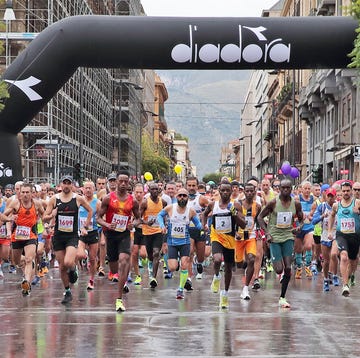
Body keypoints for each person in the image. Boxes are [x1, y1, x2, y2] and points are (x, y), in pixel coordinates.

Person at [44, 176, 93, 304]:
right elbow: (44, 217)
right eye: (64, 183)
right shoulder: (55, 199)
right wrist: (52, 214)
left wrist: (85, 226)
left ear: (72, 185)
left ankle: (73, 269)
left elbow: (90, 210)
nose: (66, 186)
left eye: (68, 183)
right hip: (58, 236)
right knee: (61, 267)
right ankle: (67, 292)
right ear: (61, 185)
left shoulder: (77, 198)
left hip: (72, 236)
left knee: (68, 262)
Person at [96, 171, 140, 312]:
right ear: (116, 182)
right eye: (120, 181)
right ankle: (122, 279)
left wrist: (133, 224)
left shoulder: (132, 201)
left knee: (124, 260)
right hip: (111, 235)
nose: (122, 184)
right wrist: (107, 225)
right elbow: (98, 217)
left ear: (128, 184)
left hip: (124, 235)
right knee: (115, 267)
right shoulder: (108, 198)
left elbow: (138, 218)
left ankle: (119, 299)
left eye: (125, 182)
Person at [258, 179, 303, 308]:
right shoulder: (273, 202)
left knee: (288, 268)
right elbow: (260, 217)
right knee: (279, 269)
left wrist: (298, 227)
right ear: (279, 189)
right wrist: (267, 233)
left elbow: (301, 220)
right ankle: (274, 264)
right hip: (275, 237)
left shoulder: (296, 203)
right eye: (283, 188)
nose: (285, 190)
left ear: (291, 189)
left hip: (288, 235)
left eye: (288, 188)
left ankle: (282, 297)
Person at [202, 181, 245, 309]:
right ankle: (216, 276)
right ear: (219, 192)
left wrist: (234, 214)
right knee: (216, 259)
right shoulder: (213, 204)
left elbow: (243, 224)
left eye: (228, 191)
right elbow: (204, 214)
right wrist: (204, 224)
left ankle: (225, 294)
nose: (225, 193)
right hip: (216, 236)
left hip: (230, 239)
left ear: (231, 191)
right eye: (223, 191)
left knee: (228, 267)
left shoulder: (235, 205)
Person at [1, 183, 45, 295]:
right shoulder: (15, 203)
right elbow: (2, 216)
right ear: (20, 193)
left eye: (27, 192)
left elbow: (44, 216)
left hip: (31, 235)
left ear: (32, 194)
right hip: (17, 236)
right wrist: (10, 218)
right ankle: (27, 265)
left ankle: (26, 282)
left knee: (30, 259)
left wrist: (46, 226)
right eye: (23, 192)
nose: (25, 195)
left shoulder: (37, 204)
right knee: (16, 261)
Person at [158, 188, 202, 299]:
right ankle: (175, 263)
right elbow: (159, 216)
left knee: (184, 265)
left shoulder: (191, 211)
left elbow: (198, 224)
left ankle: (180, 290)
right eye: (180, 195)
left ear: (188, 198)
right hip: (172, 242)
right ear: (176, 197)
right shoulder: (170, 208)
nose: (182, 197)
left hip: (185, 242)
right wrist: (162, 226)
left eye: (184, 196)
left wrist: (201, 227)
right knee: (172, 267)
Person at [327, 181, 360, 296]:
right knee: (343, 257)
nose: (346, 193)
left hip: (355, 236)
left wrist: (359, 212)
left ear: (351, 191)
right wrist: (330, 230)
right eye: (343, 191)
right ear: (340, 192)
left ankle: (350, 276)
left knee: (354, 260)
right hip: (341, 235)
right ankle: (345, 285)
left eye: (347, 191)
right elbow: (331, 216)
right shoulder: (337, 205)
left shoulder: (357, 203)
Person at [235, 183, 261, 300]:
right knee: (239, 264)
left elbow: (258, 220)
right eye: (247, 191)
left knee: (252, 259)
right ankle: (244, 265)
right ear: (244, 192)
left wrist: (260, 231)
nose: (249, 193)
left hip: (251, 236)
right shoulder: (237, 204)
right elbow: (232, 220)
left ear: (255, 192)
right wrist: (234, 233)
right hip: (238, 238)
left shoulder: (258, 206)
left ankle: (245, 288)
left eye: (252, 191)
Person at [140, 182, 167, 288]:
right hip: (147, 232)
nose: (155, 191)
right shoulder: (145, 202)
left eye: (157, 189)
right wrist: (146, 223)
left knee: (156, 253)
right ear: (149, 191)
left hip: (158, 232)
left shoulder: (163, 202)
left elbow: (165, 215)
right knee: (150, 255)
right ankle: (150, 264)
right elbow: (138, 218)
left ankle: (153, 278)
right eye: (153, 189)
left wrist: (164, 225)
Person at [77, 180, 101, 290]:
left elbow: (101, 218)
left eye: (90, 188)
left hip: (93, 232)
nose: (87, 190)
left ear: (94, 189)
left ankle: (91, 279)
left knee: (92, 258)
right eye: (86, 188)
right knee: (80, 254)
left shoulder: (97, 203)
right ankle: (84, 255)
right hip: (81, 231)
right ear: (82, 189)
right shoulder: (78, 201)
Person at [311, 188, 337, 291]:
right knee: (326, 260)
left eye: (332, 196)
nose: (330, 198)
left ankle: (334, 275)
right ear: (326, 196)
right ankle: (326, 279)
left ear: (335, 197)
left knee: (334, 255)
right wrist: (322, 216)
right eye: (328, 196)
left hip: (336, 234)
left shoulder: (338, 206)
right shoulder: (322, 207)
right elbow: (313, 221)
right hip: (325, 235)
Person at [186, 176, 209, 284]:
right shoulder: (182, 198)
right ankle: (189, 278)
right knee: (189, 253)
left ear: (197, 186)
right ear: (186, 186)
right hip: (188, 230)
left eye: (193, 185)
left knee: (201, 256)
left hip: (199, 230)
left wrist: (205, 220)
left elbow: (212, 209)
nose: (191, 187)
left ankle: (199, 263)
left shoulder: (201, 199)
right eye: (189, 185)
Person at [294, 181, 314, 279]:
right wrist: (297, 216)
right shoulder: (297, 199)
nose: (307, 190)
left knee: (308, 246)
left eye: (308, 189)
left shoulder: (313, 199)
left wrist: (311, 216)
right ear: (301, 189)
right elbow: (293, 211)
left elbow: (315, 211)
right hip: (298, 227)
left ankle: (307, 266)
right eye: (305, 188)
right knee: (298, 249)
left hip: (309, 226)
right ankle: (298, 268)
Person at [131, 183, 147, 285]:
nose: (138, 194)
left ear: (144, 193)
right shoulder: (131, 203)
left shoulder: (147, 203)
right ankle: (137, 275)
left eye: (140, 192)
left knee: (143, 254)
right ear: (133, 192)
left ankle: (146, 261)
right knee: (134, 253)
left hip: (145, 230)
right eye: (136, 192)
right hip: (134, 231)